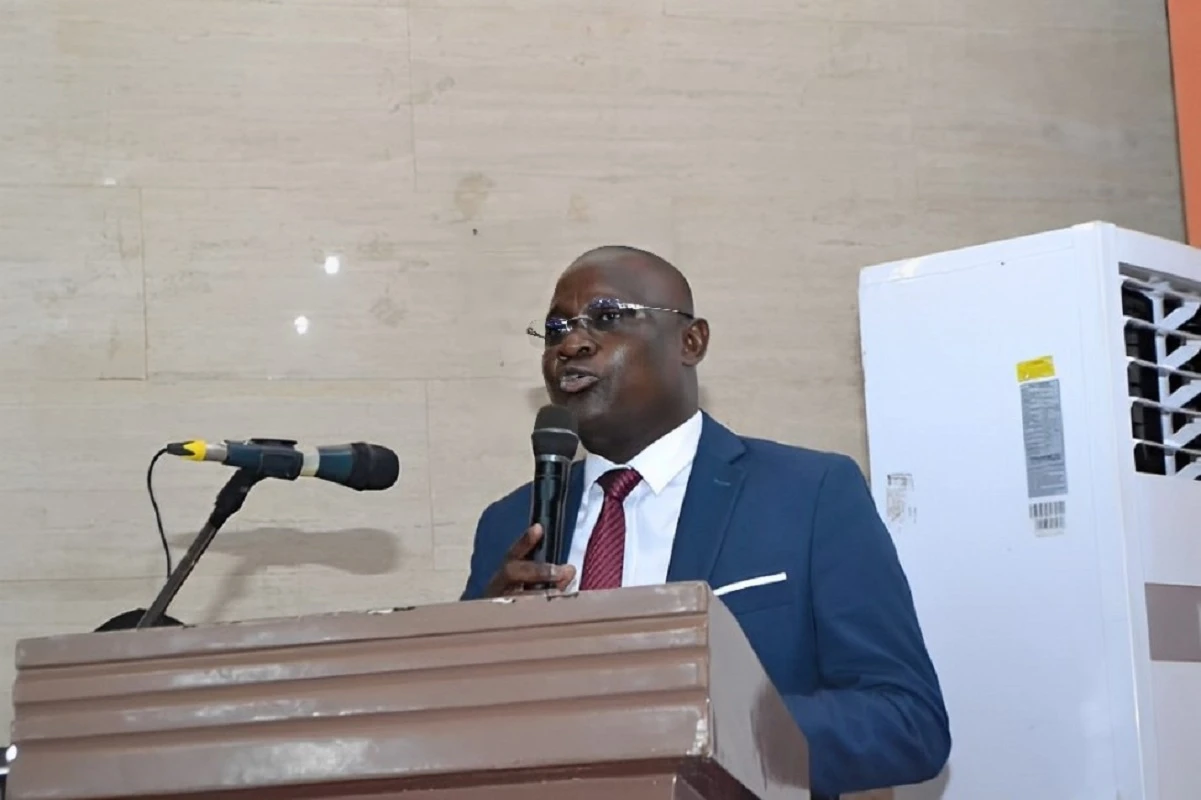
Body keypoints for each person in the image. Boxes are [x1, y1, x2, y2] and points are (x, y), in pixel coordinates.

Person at [460, 245, 950, 798]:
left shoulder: (809, 494)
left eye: (606, 317)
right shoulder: (509, 524)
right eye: (555, 329)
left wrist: (701, 728)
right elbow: (452, 733)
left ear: (691, 342)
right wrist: (479, 646)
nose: (571, 344)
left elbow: (906, 723)